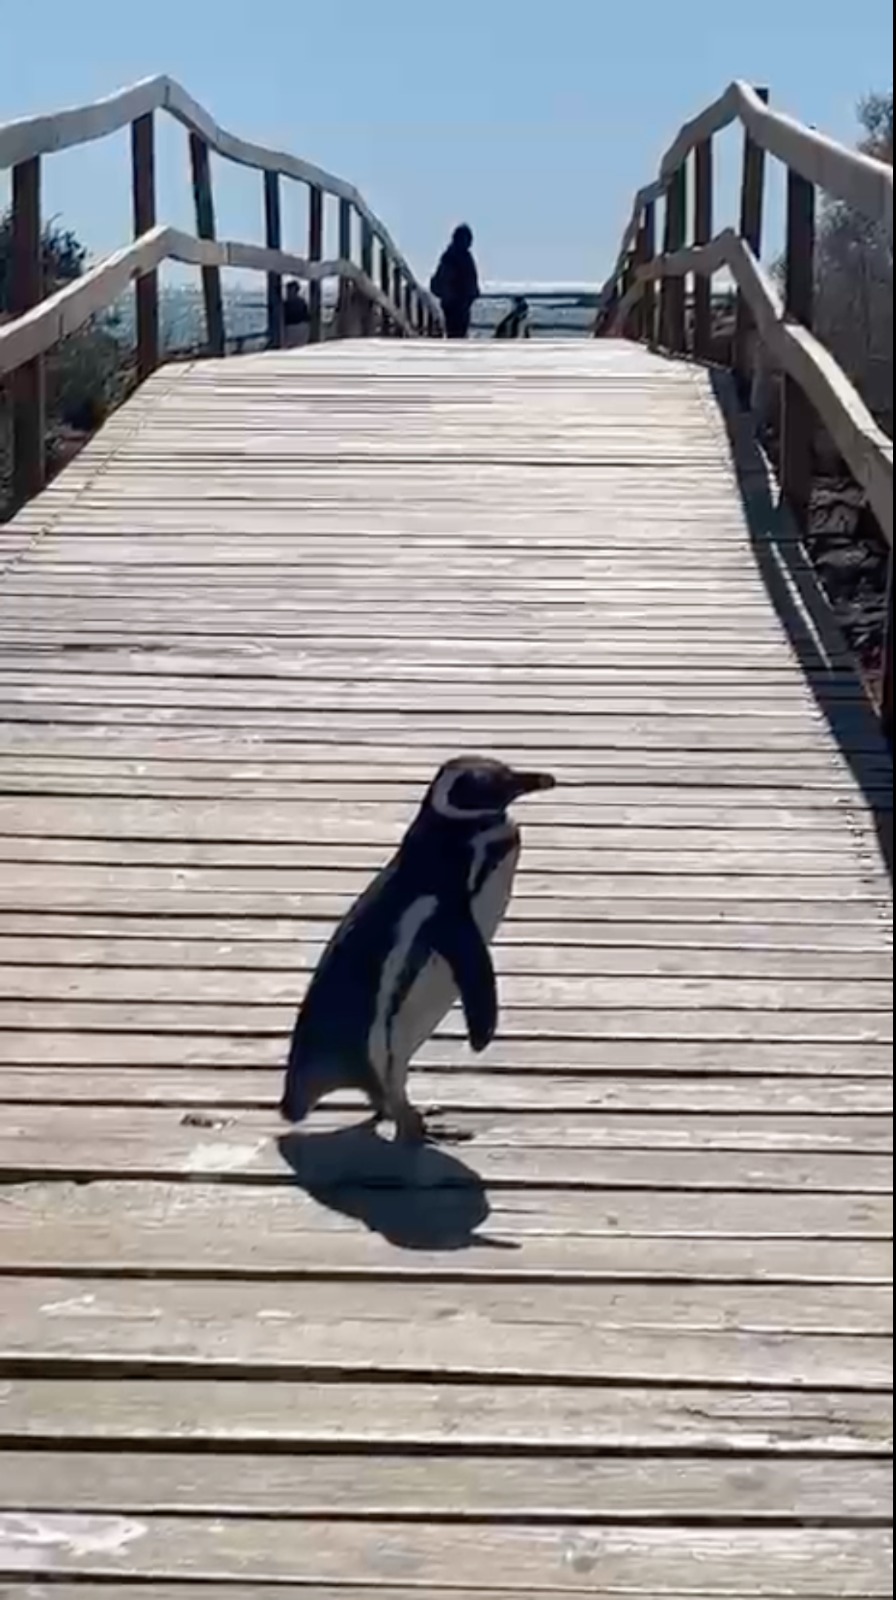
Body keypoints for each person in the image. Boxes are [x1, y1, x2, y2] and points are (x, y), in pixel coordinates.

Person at [430, 225, 480, 339]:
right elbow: (446, 277)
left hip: (458, 302)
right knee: (456, 332)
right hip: (455, 302)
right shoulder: (453, 257)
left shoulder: (458, 256)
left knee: (456, 332)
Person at [283, 280, 310, 348]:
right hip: (301, 328)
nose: (288, 292)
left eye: (289, 290)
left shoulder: (286, 304)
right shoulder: (302, 302)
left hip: (292, 329)